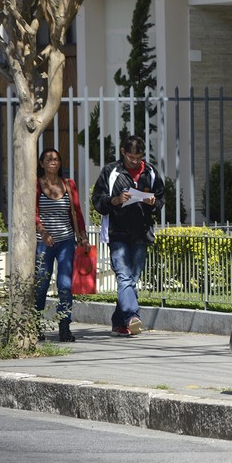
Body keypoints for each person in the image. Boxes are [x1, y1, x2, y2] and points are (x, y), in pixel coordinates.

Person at [91, 135, 165, 336]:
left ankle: (119, 323)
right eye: (131, 157)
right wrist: (115, 200)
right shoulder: (111, 171)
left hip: (141, 232)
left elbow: (160, 198)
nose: (134, 161)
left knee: (132, 279)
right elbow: (97, 200)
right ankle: (133, 316)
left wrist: (152, 202)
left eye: (138, 157)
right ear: (123, 152)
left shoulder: (149, 171)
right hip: (118, 232)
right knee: (124, 276)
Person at [34, 148, 89, 342]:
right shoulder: (37, 185)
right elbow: (33, 213)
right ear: (41, 163)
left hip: (66, 240)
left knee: (65, 284)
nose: (53, 162)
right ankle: (35, 324)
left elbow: (77, 212)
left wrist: (82, 235)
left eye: (56, 159)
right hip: (44, 242)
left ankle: (64, 326)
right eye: (48, 159)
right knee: (41, 284)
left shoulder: (68, 184)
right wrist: (42, 231)